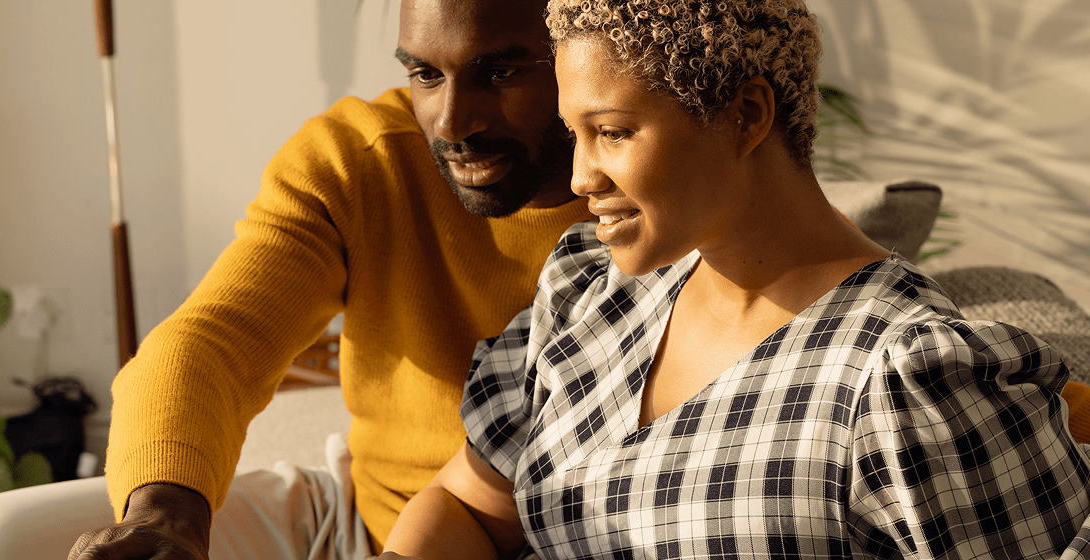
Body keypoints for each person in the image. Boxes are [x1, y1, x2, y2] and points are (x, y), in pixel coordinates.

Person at [376, 0, 1090, 558]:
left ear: (746, 114)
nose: (579, 177)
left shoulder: (905, 382)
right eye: (576, 134)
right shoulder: (589, 299)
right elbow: (471, 508)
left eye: (615, 132)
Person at [68, 0, 592, 558]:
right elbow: (214, 341)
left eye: (501, 72)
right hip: (364, 531)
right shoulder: (360, 159)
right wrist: (166, 514)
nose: (451, 123)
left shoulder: (664, 184)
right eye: (425, 75)